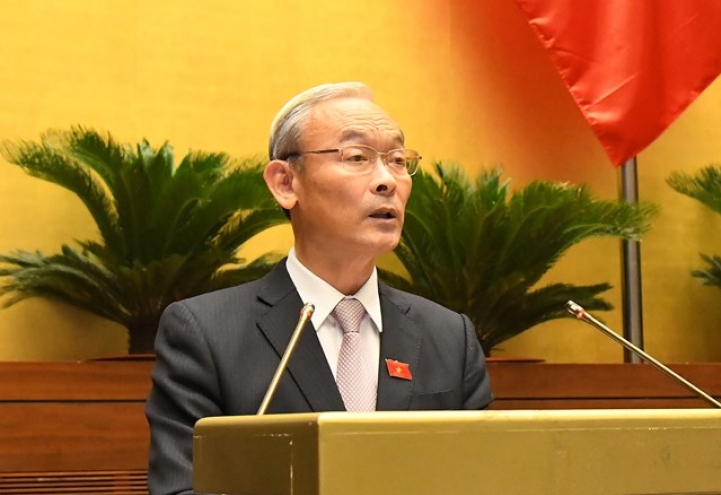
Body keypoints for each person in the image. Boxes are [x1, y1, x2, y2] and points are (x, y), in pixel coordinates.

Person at [145, 82, 493, 495]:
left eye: (398, 160)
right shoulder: (206, 333)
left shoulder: (450, 336)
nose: (387, 180)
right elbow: (182, 487)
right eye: (357, 157)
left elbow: (486, 480)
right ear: (285, 183)